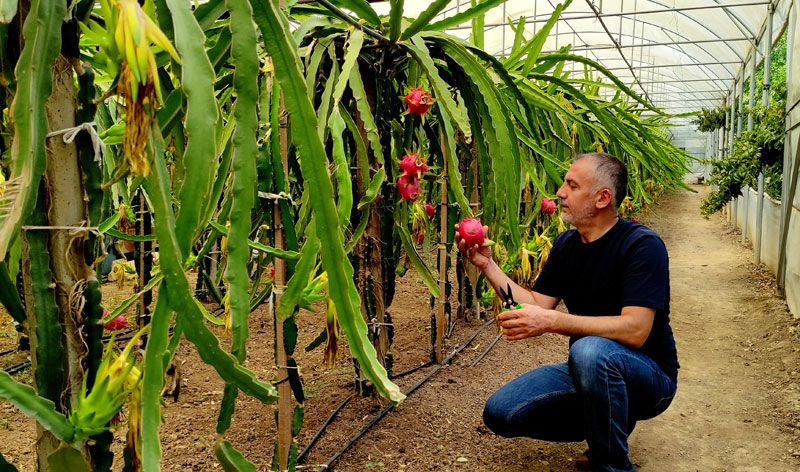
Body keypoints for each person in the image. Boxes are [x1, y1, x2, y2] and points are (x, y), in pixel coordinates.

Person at [456, 152, 678, 472]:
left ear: (602, 198)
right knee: (501, 413)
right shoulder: (566, 245)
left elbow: (636, 329)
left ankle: (611, 463)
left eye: (572, 185)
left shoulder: (642, 246)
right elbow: (534, 304)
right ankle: (607, 423)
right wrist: (487, 265)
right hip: (590, 369)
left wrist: (555, 322)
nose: (560, 192)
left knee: (590, 350)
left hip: (650, 377)